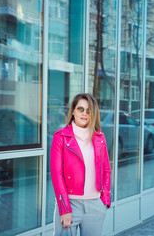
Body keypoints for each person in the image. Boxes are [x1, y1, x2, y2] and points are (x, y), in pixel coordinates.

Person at [50, 93, 111, 236]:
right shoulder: (60, 138)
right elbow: (57, 175)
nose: (84, 114)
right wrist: (64, 209)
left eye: (89, 111)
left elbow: (106, 170)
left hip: (95, 205)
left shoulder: (99, 137)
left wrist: (105, 200)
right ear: (73, 111)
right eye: (81, 109)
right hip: (70, 203)